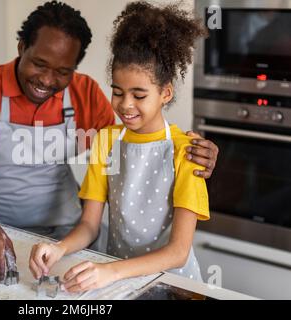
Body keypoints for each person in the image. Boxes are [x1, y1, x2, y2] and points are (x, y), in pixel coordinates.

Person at [0, 1, 218, 279]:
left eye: (63, 72)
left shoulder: (87, 95)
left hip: (70, 235)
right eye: (39, 64)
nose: (47, 80)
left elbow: (136, 146)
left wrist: (198, 151)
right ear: (21, 48)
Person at [29, 1, 210, 292]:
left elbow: (178, 252)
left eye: (139, 95)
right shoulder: (106, 140)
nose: (125, 105)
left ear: (165, 93)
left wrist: (110, 272)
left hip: (174, 286)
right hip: (119, 282)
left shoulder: (186, 151)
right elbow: (89, 225)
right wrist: (59, 248)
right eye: (117, 92)